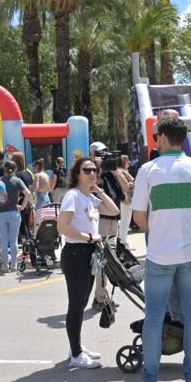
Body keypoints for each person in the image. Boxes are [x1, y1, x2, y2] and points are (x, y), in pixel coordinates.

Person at [132, 116, 191, 382]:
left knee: (154, 316)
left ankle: (150, 381)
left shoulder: (148, 170)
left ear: (162, 137)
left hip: (159, 254)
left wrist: (158, 231)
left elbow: (138, 216)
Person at [56, 156, 120, 369]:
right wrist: (89, 237)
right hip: (76, 254)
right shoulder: (73, 196)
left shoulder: (87, 197)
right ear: (77, 174)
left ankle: (76, 347)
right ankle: (75, 354)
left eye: (94, 170)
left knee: (81, 304)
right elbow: (63, 227)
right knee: (76, 305)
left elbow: (113, 211)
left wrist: (98, 191)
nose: (92, 173)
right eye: (87, 170)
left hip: (88, 254)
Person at [0, 160, 32, 273]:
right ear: (15, 170)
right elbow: (28, 194)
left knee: (4, 240)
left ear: (4, 169)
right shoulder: (17, 181)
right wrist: (23, 206)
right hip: (14, 212)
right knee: (14, 240)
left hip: (0, 212)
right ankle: (14, 265)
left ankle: (5, 265)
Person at [114, 154, 135, 245]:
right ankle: (123, 240)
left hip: (128, 198)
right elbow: (126, 185)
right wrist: (131, 184)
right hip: (125, 198)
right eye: (127, 160)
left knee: (125, 220)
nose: (129, 162)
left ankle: (123, 239)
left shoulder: (124, 171)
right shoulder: (120, 171)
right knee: (125, 221)